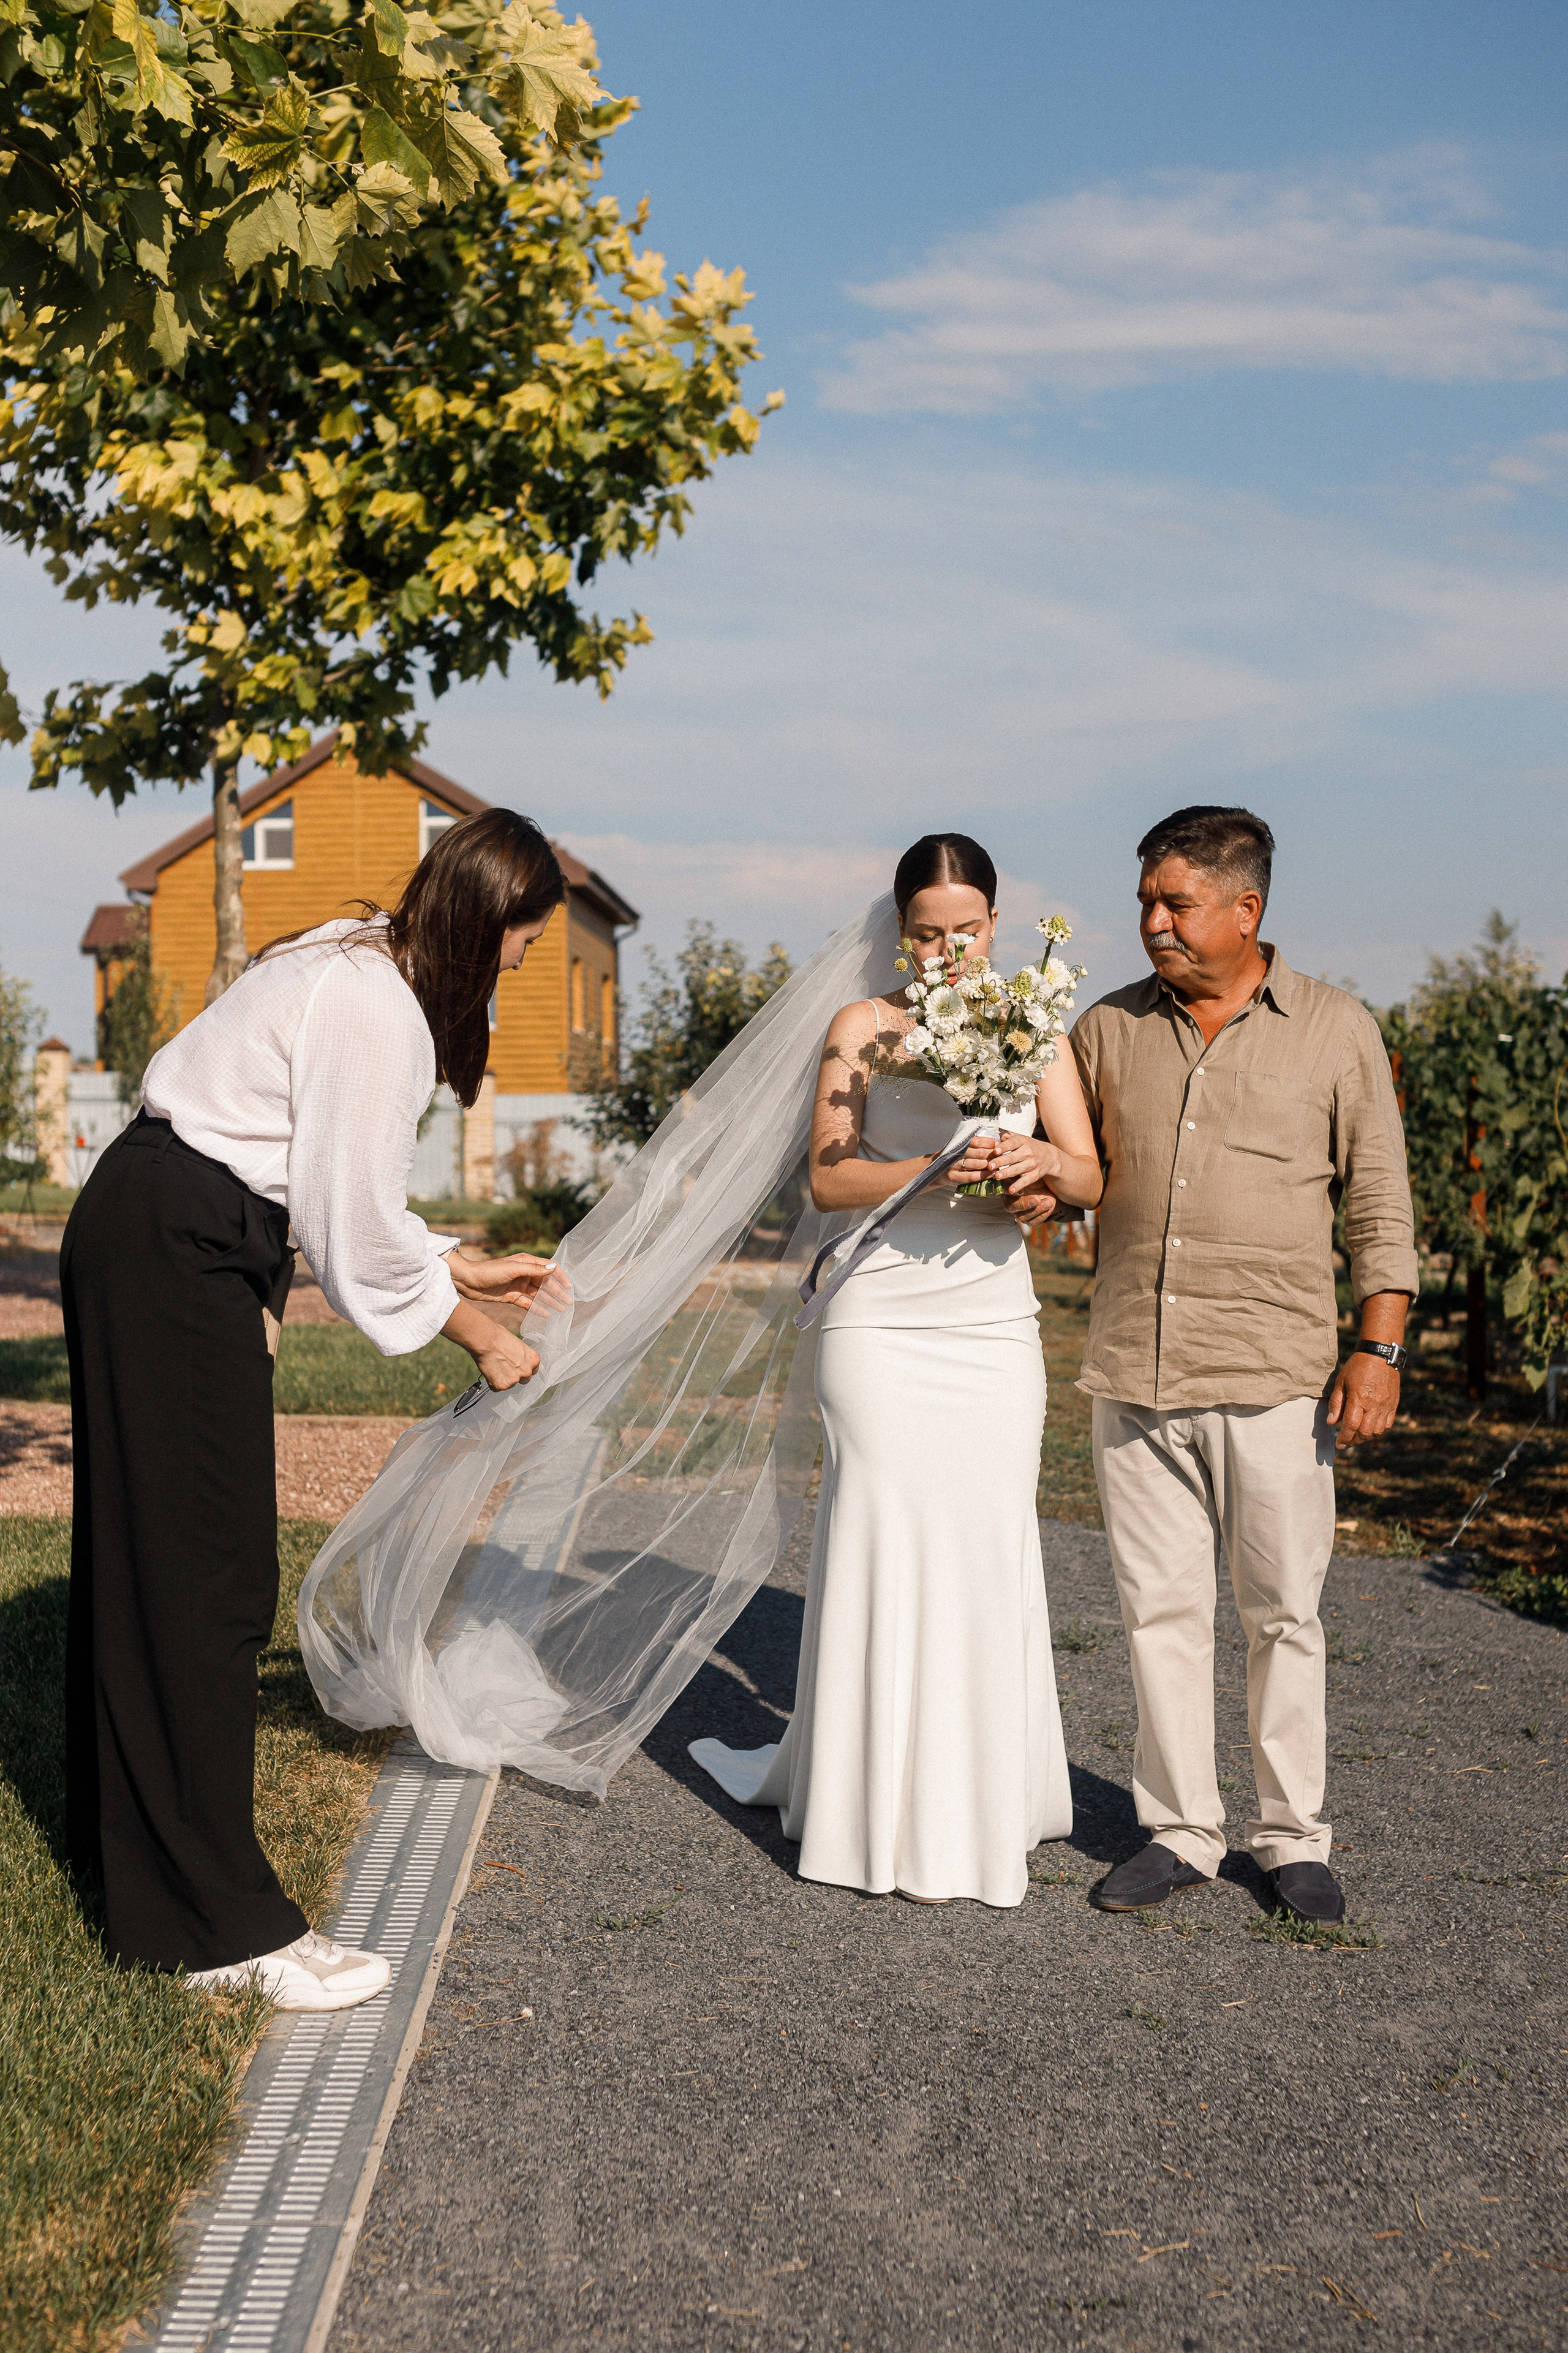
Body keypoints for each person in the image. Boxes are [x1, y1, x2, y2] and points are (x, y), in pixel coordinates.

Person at [62, 810, 568, 2009]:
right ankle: (221, 1931)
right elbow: (351, 1222)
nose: (518, 966)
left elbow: (330, 1194)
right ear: (488, 919)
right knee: (205, 1580)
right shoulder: (374, 1007)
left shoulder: (352, 955)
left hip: (163, 1224)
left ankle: (132, 1872)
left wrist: (450, 1261)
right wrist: (484, 1331)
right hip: (176, 1241)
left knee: (155, 1566)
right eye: (524, 945)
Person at [688, 834, 1104, 1906]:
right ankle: (865, 1802)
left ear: (998, 928)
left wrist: (1041, 1174)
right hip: (880, 1320)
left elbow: (1089, 1164)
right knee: (880, 1530)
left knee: (985, 1537)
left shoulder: (1035, 1024)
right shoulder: (864, 1029)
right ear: (898, 928)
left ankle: (978, 1803)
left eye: (966, 932)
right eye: (926, 933)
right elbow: (829, 1178)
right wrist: (934, 1172)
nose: (946, 951)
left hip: (991, 1322)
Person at [1024, 805, 1417, 1925]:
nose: (1151, 922)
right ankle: (1181, 1829)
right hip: (1134, 1374)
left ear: (1248, 909)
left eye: (1175, 903)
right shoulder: (1104, 1029)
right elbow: (1076, 1168)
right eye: (1145, 899)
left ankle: (1292, 1837)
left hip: (1277, 1372)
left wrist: (1377, 1345)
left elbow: (1381, 1201)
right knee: (1159, 1610)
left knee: (1283, 1611)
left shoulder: (1337, 1029)